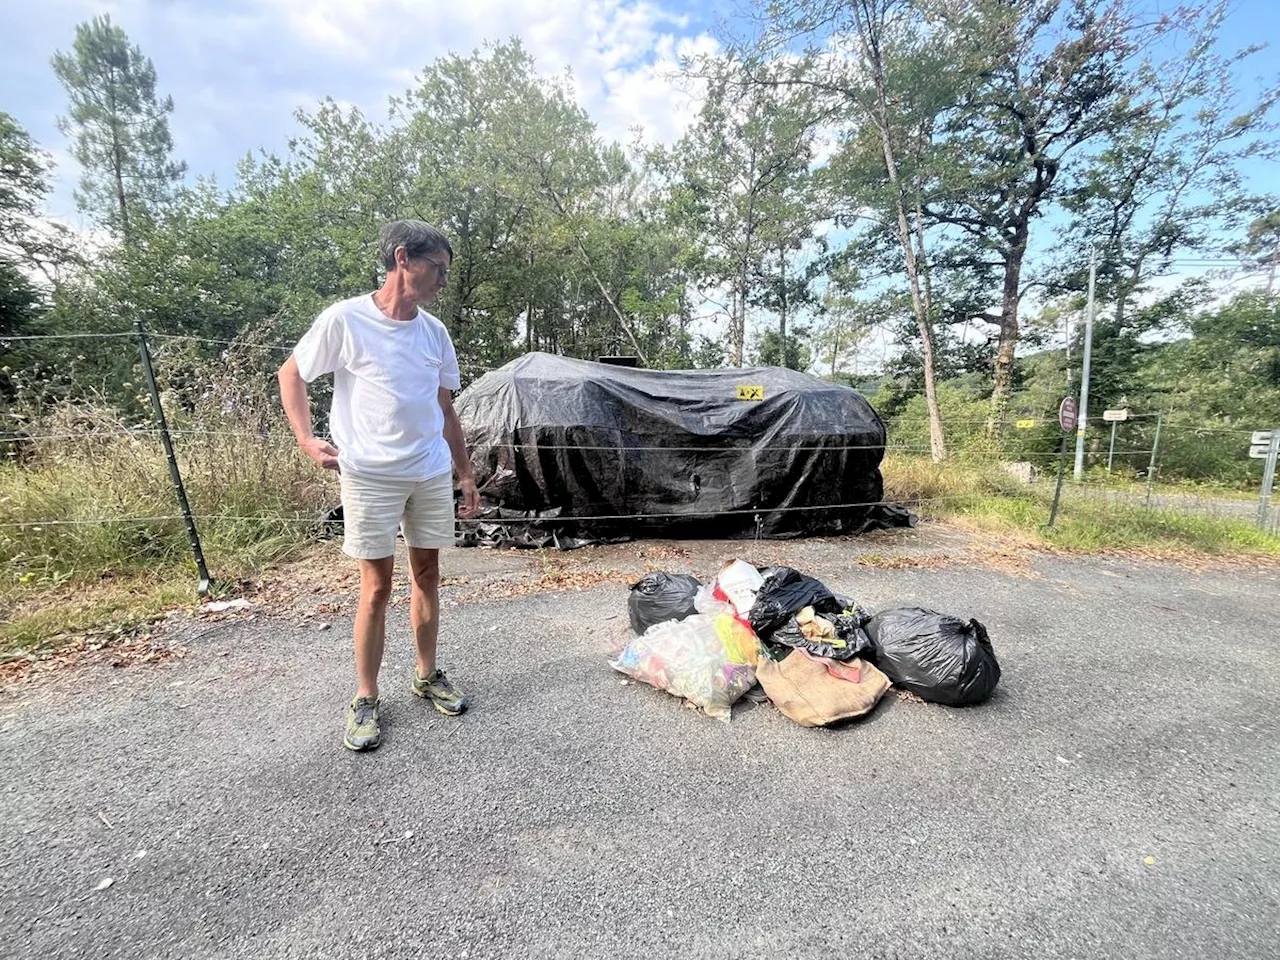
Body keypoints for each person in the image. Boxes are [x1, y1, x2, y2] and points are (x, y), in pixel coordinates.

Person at [278, 219, 480, 752]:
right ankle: (366, 697)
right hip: (369, 473)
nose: (442, 280)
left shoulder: (435, 333)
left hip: (430, 470)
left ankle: (426, 673)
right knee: (376, 587)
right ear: (401, 259)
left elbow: (445, 408)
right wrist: (305, 437)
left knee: (428, 574)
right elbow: (291, 374)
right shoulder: (346, 320)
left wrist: (465, 473)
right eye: (436, 268)